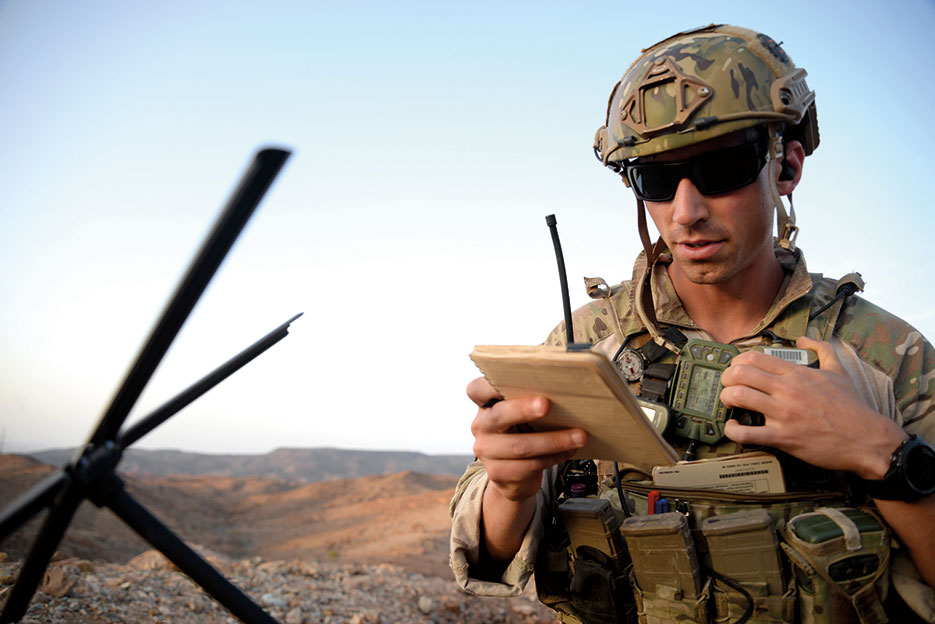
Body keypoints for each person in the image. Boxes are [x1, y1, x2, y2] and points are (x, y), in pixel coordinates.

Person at [449, 24, 935, 624]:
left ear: (786, 166)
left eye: (722, 166)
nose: (685, 213)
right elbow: (491, 553)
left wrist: (883, 455)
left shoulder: (885, 355)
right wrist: (511, 489)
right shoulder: (588, 345)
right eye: (655, 178)